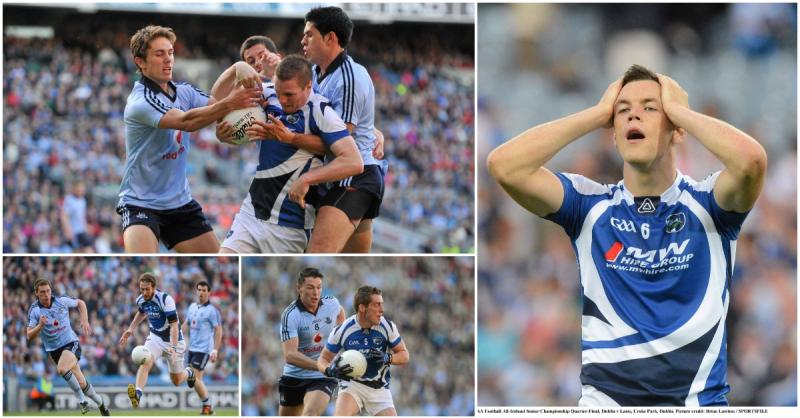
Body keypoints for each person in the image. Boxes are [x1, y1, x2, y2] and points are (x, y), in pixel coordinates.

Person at [486, 64, 767, 406]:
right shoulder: (589, 206)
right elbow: (505, 165)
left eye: (650, 108)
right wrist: (596, 114)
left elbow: (751, 161)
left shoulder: (709, 204)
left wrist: (680, 112)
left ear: (676, 131)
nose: (635, 116)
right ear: (613, 133)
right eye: (623, 111)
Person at [117, 24, 262, 253]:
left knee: (220, 261)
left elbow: (216, 106)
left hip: (180, 203)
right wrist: (232, 102)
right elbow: (187, 122)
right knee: (143, 261)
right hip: (140, 204)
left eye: (171, 52)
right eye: (159, 54)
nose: (168, 60)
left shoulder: (183, 91)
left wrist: (238, 67)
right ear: (140, 62)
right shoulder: (140, 101)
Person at [213, 54, 363, 253]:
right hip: (251, 215)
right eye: (278, 91)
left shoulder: (321, 112)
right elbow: (214, 102)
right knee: (224, 259)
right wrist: (236, 68)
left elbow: (354, 162)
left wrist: (307, 179)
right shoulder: (266, 94)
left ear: (308, 86)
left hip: (291, 227)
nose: (282, 100)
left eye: (289, 95)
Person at [302, 6, 386, 253]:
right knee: (355, 257)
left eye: (309, 34)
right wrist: (375, 132)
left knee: (317, 254)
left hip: (354, 178)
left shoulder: (350, 76)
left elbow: (339, 141)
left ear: (330, 38)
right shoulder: (317, 74)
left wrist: (287, 137)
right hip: (342, 176)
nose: (302, 40)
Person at [318, 286, 409, 416]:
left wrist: (387, 358)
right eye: (377, 305)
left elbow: (404, 355)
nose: (382, 310)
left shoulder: (387, 327)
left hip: (379, 389)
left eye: (381, 304)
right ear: (362, 307)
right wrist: (329, 370)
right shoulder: (343, 330)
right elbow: (323, 359)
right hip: (353, 386)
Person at [26, 279, 111, 416]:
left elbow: (81, 303)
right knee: (82, 382)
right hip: (54, 351)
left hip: (71, 343)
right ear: (36, 293)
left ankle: (82, 401)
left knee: (62, 369)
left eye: (48, 291)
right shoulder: (34, 310)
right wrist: (40, 326)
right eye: (42, 292)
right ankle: (102, 405)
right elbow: (29, 335)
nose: (46, 295)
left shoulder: (62, 300)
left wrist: (84, 320)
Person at [118, 273, 196, 408]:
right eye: (142, 289)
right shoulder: (140, 300)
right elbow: (141, 312)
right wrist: (131, 328)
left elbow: (174, 326)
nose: (144, 292)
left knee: (176, 380)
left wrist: (173, 346)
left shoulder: (166, 300)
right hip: (155, 338)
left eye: (147, 289)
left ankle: (189, 372)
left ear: (154, 287)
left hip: (174, 341)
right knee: (145, 361)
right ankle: (138, 394)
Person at [278, 268, 346, 415]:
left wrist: (338, 337)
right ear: (299, 288)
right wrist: (322, 366)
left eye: (319, 287)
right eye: (310, 287)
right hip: (294, 377)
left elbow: (340, 313)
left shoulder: (332, 304)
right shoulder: (291, 315)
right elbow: (290, 355)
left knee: (310, 414)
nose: (316, 292)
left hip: (322, 378)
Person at [183, 281, 223, 415]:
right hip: (191, 349)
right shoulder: (192, 307)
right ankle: (208, 406)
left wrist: (215, 350)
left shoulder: (212, 311)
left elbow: (218, 331)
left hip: (204, 349)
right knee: (194, 381)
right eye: (199, 289)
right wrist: (177, 336)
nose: (201, 292)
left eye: (204, 290)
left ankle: (207, 406)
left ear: (209, 292)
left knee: (194, 378)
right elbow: (186, 324)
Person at [61, 181, 94, 253]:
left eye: (83, 189)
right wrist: (68, 230)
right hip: (73, 231)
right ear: (75, 188)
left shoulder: (83, 201)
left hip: (81, 230)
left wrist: (86, 227)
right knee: (77, 252)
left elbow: (82, 217)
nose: (81, 190)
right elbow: (64, 216)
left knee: (89, 250)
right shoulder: (69, 200)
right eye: (80, 188)